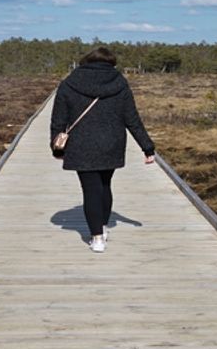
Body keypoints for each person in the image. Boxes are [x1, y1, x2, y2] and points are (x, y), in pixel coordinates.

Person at [51, 46, 156, 253]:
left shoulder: (69, 83)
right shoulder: (120, 83)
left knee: (90, 190)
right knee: (105, 185)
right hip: (112, 143)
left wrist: (56, 148)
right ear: (111, 63)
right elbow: (132, 119)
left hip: (81, 144)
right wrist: (147, 148)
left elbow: (58, 120)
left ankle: (97, 238)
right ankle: (104, 226)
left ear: (86, 61)